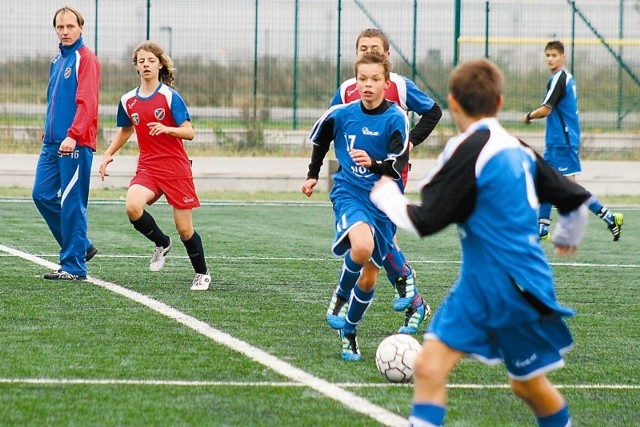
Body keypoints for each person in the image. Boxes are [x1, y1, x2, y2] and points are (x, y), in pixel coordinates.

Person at [372, 58, 590, 426]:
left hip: (496, 285)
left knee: (430, 368)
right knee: (525, 386)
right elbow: (575, 199)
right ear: (500, 103)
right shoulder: (518, 147)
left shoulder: (468, 149)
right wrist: (568, 234)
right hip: (523, 283)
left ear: (453, 103)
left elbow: (424, 221)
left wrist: (386, 195)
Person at [327, 28, 443, 334]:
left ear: (386, 55)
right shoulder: (347, 89)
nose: (367, 53)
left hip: (389, 175)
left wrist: (410, 142)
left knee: (379, 239)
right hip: (356, 180)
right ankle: (413, 299)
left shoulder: (399, 86)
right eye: (362, 49)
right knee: (375, 243)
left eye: (373, 48)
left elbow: (433, 111)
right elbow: (331, 126)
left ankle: (410, 294)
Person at [302, 52, 410, 360]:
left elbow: (395, 165)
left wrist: (374, 163)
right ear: (355, 81)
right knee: (361, 247)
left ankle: (349, 331)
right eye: (362, 79)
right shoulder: (341, 113)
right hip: (349, 192)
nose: (368, 85)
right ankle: (339, 297)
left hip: (383, 200)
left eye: (375, 80)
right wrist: (312, 175)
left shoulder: (396, 118)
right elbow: (320, 140)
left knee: (370, 277)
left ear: (386, 84)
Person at [98, 41, 211, 291]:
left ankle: (202, 273)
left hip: (175, 168)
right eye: (141, 61)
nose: (146, 64)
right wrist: (107, 154)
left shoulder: (170, 96)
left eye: (151, 60)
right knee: (132, 206)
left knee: (185, 229)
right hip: (148, 167)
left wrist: (167, 129)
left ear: (160, 64)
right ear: (136, 67)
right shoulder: (127, 100)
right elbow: (126, 129)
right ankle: (161, 242)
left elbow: (189, 132)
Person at [524, 40, 624, 241]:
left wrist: (528, 116)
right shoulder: (561, 78)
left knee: (571, 190)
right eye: (548, 55)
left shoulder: (559, 79)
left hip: (563, 143)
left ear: (563, 57)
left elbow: (546, 109)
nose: (550, 59)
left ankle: (610, 217)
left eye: (554, 55)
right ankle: (542, 228)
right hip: (556, 142)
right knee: (545, 181)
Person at [32, 6, 101, 280]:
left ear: (81, 28)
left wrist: (73, 134)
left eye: (70, 26)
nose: (65, 32)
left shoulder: (86, 59)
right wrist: (49, 132)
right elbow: (53, 101)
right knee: (41, 195)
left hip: (75, 143)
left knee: (72, 203)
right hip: (52, 144)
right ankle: (81, 246)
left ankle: (74, 266)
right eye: (60, 27)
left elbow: (88, 102)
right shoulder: (56, 60)